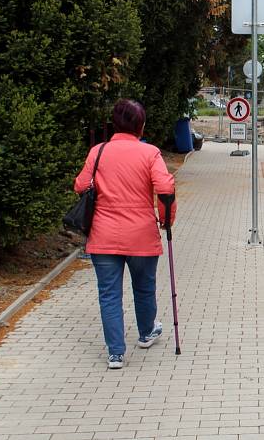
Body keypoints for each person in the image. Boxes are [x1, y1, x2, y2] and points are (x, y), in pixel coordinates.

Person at [74, 99, 177, 369]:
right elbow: (165, 187)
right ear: (140, 126)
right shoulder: (150, 153)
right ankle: (145, 333)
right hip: (141, 234)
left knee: (109, 294)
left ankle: (116, 353)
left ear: (115, 123)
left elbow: (80, 185)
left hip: (103, 235)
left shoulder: (97, 152)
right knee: (144, 288)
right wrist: (166, 220)